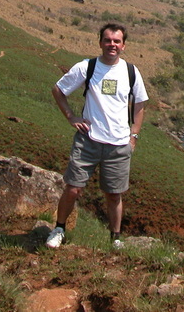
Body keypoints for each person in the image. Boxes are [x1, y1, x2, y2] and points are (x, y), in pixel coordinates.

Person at [45, 22, 148, 249]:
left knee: (114, 194)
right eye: (108, 40)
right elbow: (58, 90)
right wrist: (71, 116)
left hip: (119, 145)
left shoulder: (131, 72)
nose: (112, 45)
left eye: (116, 41)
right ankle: (59, 229)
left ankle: (116, 239)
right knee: (73, 188)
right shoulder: (87, 67)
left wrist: (134, 136)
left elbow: (140, 103)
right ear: (100, 42)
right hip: (88, 140)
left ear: (123, 45)